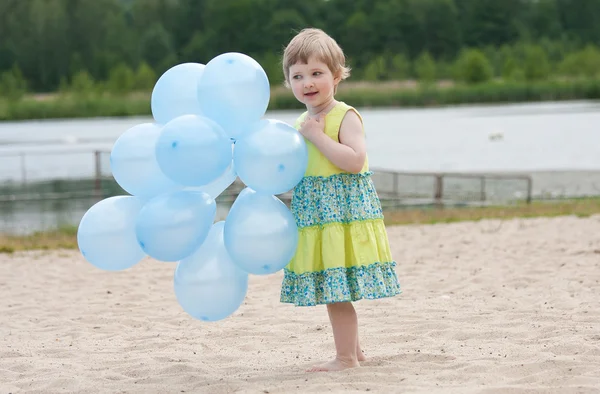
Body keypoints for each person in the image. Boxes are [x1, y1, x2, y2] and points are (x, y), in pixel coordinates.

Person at [279, 28, 402, 372]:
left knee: (336, 290)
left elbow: (354, 160)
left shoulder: (342, 115)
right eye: (298, 76)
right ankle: (356, 351)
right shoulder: (302, 122)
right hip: (318, 214)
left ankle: (346, 358)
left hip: (343, 213)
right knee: (336, 286)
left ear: (336, 76)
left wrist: (318, 136)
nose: (307, 82)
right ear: (289, 82)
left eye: (316, 73)